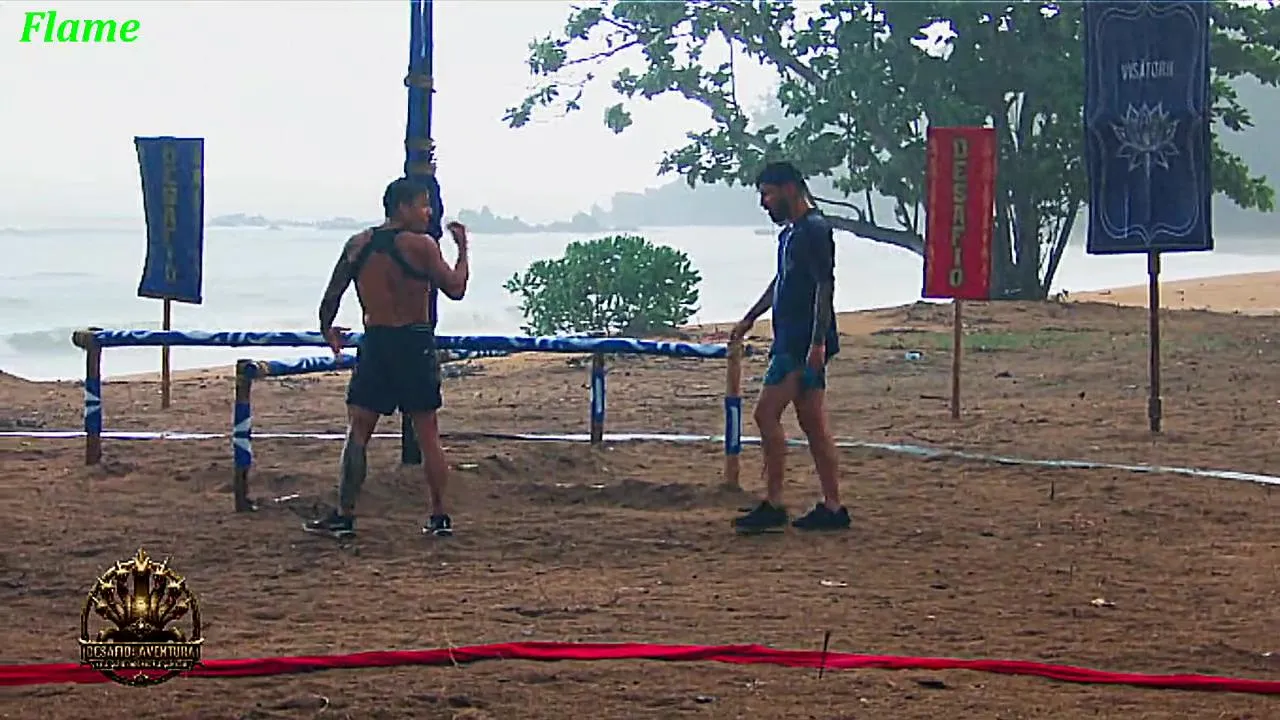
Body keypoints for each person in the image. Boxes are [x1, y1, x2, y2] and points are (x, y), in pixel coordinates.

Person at [303, 177, 470, 539]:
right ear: (402, 207)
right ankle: (439, 514)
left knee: (359, 431)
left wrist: (327, 328)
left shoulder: (358, 244)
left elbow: (333, 293)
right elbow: (455, 288)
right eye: (422, 205)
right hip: (413, 341)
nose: (429, 213)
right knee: (427, 432)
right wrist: (462, 250)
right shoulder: (421, 246)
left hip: (377, 342)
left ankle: (345, 514)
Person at [729, 161, 849, 533]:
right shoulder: (791, 234)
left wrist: (817, 342)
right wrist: (750, 317)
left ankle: (774, 501)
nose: (764, 203)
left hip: (799, 342)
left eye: (768, 194)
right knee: (813, 423)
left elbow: (825, 287)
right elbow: (782, 280)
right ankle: (833, 506)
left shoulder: (814, 230)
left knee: (766, 414)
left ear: (790, 189)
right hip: (794, 339)